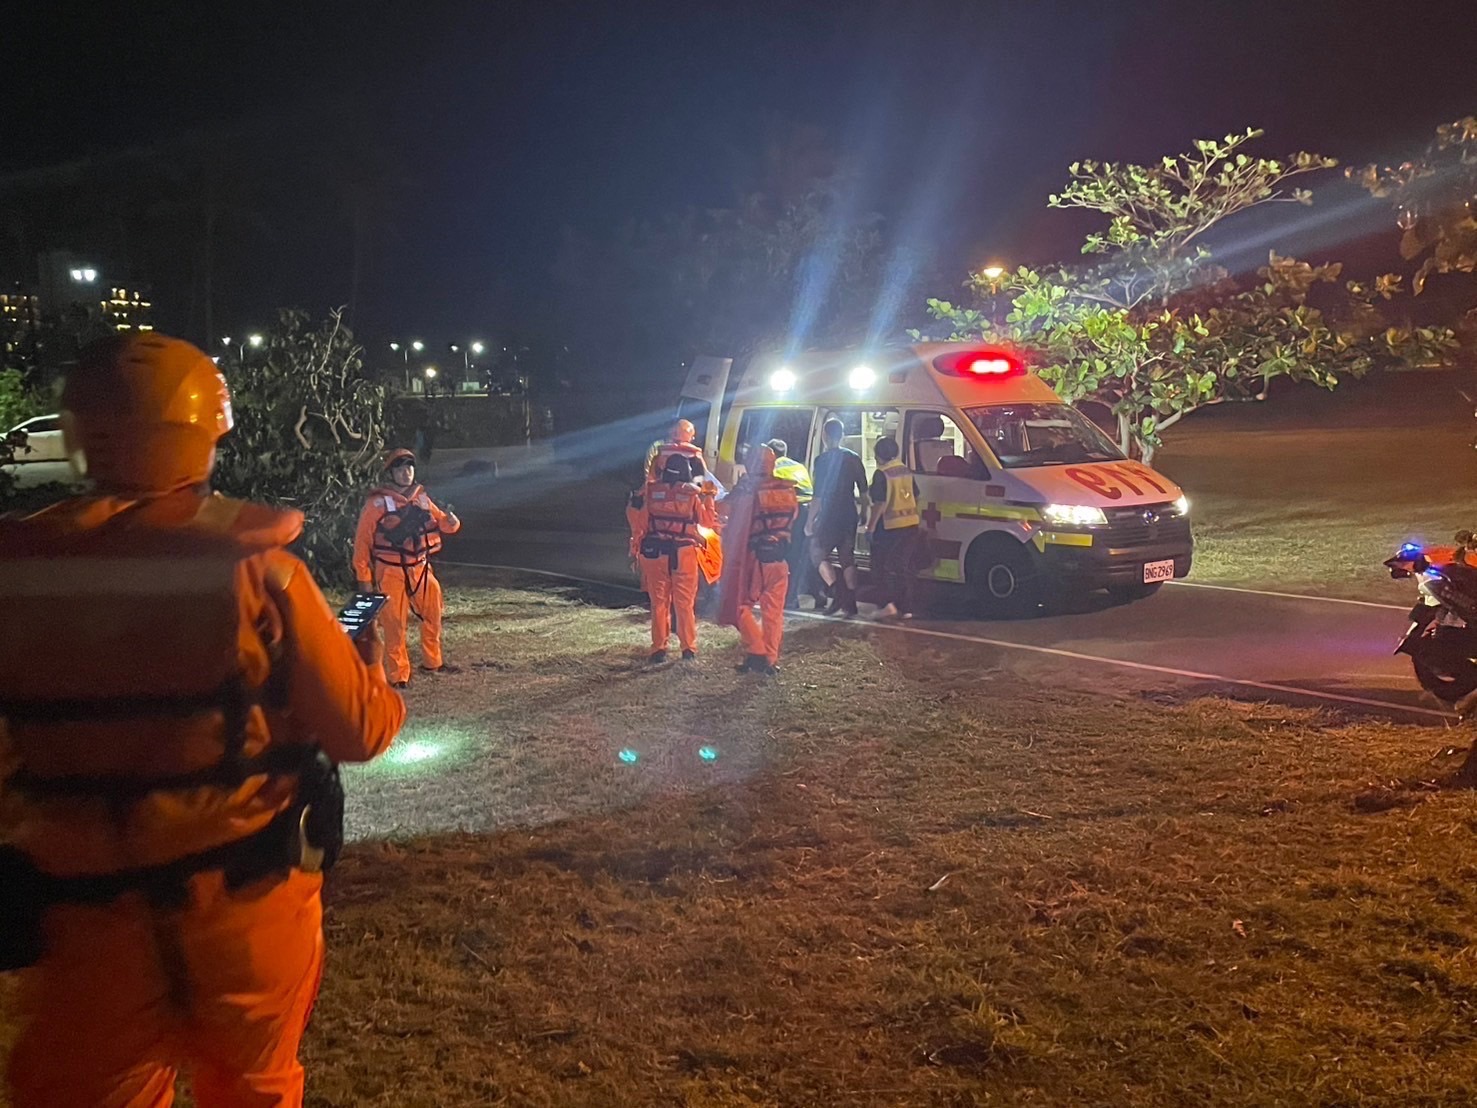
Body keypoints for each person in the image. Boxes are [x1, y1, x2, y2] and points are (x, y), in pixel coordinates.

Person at [0, 333, 406, 1107]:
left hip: (86, 920)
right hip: (247, 903)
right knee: (253, 1087)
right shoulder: (258, 568)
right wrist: (370, 666)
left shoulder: (18, 577)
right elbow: (363, 730)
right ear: (201, 435)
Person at [353, 447, 462, 688]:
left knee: (433, 612)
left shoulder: (422, 498)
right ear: (391, 473)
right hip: (390, 569)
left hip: (420, 568)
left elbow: (443, 523)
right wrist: (364, 579)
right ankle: (398, 675)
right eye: (400, 469)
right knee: (394, 623)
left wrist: (452, 522)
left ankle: (433, 661)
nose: (406, 473)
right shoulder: (377, 504)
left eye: (409, 467)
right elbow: (362, 543)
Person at [718, 444, 800, 675]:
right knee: (773, 613)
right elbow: (793, 517)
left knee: (739, 606)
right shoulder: (787, 490)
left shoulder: (747, 491)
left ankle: (757, 651)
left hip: (755, 559)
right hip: (779, 558)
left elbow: (728, 516)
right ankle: (770, 660)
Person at [628, 454, 707, 662]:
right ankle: (688, 648)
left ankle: (658, 649)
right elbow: (706, 521)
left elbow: (640, 524)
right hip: (683, 554)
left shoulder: (652, 493)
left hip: (655, 554)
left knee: (659, 603)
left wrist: (635, 549)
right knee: (685, 604)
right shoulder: (692, 496)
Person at [807, 416, 869, 617]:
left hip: (829, 515)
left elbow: (817, 496)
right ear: (842, 435)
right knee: (847, 558)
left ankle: (837, 592)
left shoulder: (822, 461)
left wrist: (809, 521)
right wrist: (864, 513)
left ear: (825, 436)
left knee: (817, 552)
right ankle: (850, 601)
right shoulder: (853, 458)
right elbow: (864, 492)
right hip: (849, 513)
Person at [867, 435, 922, 620]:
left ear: (879, 455)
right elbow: (917, 496)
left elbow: (880, 504)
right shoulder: (905, 470)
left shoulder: (881, 473)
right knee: (903, 567)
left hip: (890, 527)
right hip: (911, 524)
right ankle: (907, 608)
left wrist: (870, 527)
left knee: (881, 567)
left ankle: (887, 605)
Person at [766, 438, 815, 611]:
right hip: (807, 511)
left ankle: (784, 597)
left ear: (771, 453)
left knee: (781, 555)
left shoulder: (774, 466)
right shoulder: (799, 466)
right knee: (798, 556)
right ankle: (794, 598)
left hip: (789, 512)